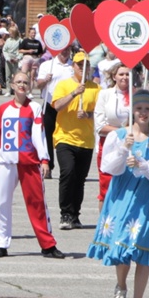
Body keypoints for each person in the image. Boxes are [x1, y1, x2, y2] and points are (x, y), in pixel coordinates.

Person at [87, 89, 149, 298]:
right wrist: (124, 149)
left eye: (147, 108)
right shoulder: (118, 136)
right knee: (122, 247)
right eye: (139, 108)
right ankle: (121, 287)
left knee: (142, 251)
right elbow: (108, 168)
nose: (143, 113)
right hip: (122, 195)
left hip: (146, 198)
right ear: (132, 110)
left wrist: (142, 163)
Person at [0, 71, 62, 258]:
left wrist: (44, 159)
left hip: (29, 163)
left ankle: (47, 244)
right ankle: (0, 244)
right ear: (12, 85)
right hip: (6, 163)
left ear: (30, 85)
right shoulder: (3, 110)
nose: (22, 85)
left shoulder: (34, 108)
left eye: (25, 82)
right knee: (1, 203)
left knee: (37, 203)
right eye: (18, 82)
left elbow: (39, 135)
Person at [51, 52, 100, 230]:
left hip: (85, 141)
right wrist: (74, 93)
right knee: (68, 173)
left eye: (86, 65)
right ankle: (65, 213)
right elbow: (57, 106)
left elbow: (101, 114)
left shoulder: (96, 88)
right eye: (79, 65)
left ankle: (74, 214)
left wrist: (88, 114)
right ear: (73, 66)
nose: (82, 68)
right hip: (65, 137)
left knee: (80, 179)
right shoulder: (64, 85)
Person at [94, 63, 131, 209]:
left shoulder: (136, 95)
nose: (124, 77)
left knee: (127, 186)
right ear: (114, 76)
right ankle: (104, 225)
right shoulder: (105, 94)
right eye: (121, 74)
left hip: (130, 144)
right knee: (106, 186)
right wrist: (123, 131)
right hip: (108, 144)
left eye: (128, 74)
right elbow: (100, 126)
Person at [36, 48, 74, 176]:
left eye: (67, 50)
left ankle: (68, 168)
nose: (65, 52)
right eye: (63, 50)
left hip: (67, 106)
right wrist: (46, 80)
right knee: (47, 136)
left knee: (67, 137)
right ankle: (48, 167)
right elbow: (38, 85)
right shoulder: (47, 65)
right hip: (49, 104)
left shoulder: (73, 66)